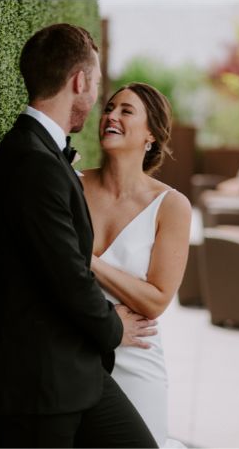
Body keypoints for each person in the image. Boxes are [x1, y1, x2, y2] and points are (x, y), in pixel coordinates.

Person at [0, 22, 158, 448]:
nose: (98, 104)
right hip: (38, 384)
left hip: (75, 372)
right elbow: (68, 275)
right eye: (96, 86)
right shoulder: (32, 161)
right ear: (80, 81)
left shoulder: (42, 154)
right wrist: (114, 327)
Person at [86, 82, 194, 448]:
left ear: (151, 133)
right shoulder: (71, 183)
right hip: (72, 352)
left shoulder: (171, 205)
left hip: (135, 355)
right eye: (109, 108)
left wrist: (89, 262)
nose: (111, 116)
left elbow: (156, 300)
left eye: (126, 111)